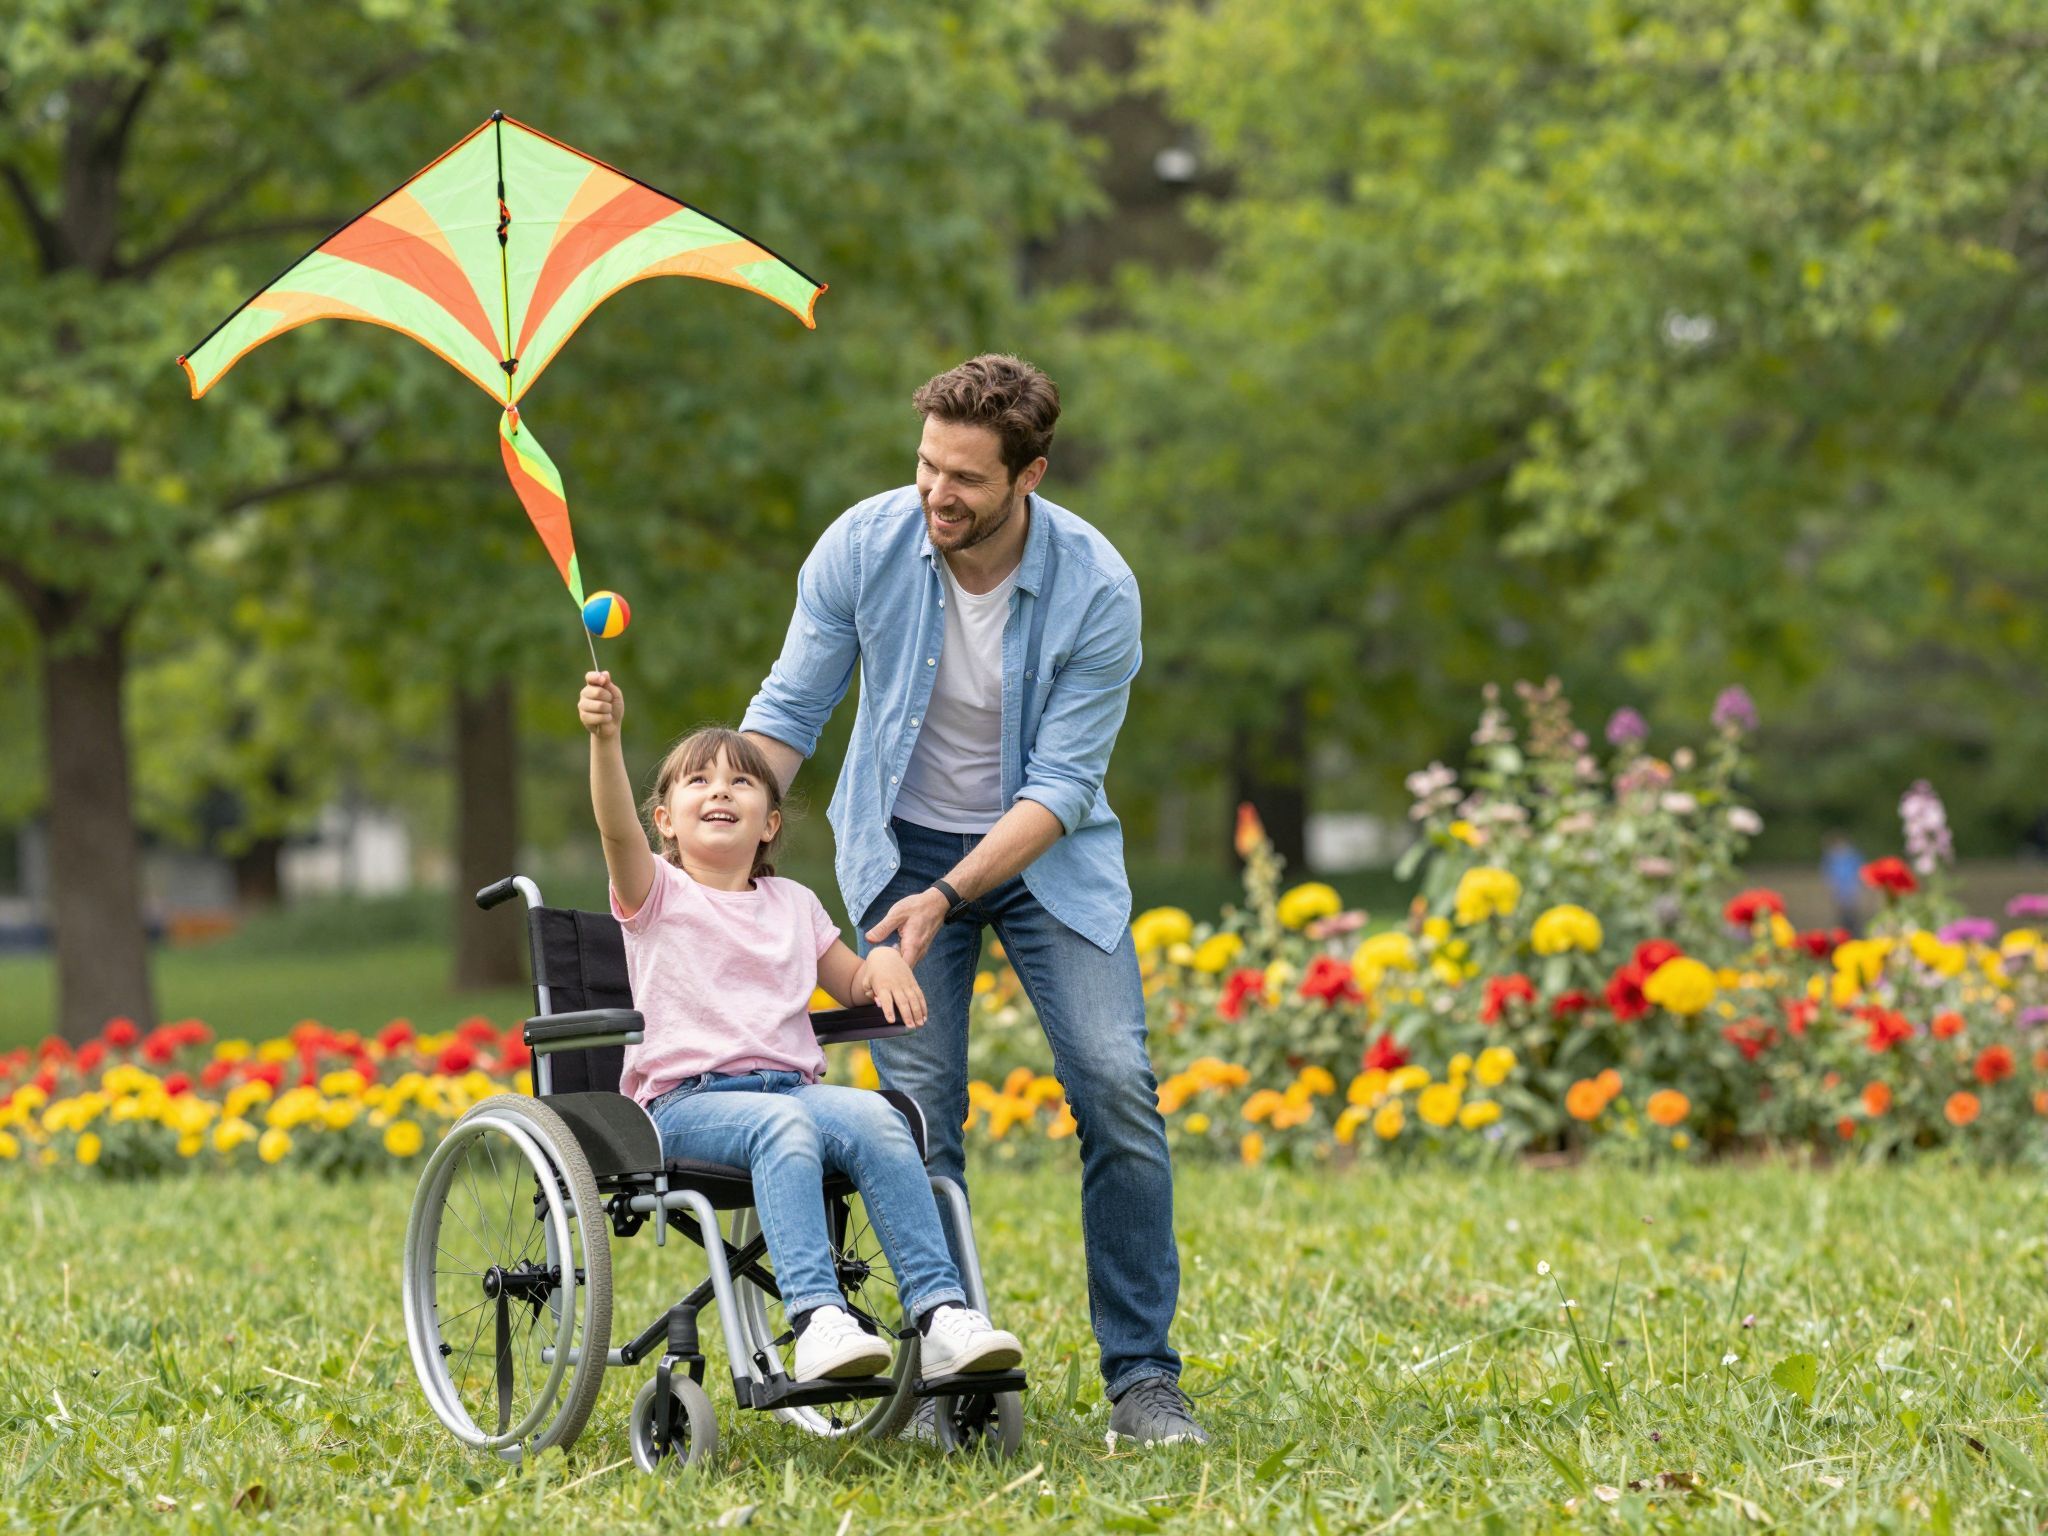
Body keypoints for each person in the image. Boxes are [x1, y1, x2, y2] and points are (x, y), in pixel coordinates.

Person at [740, 354, 1206, 1447]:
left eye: (965, 479)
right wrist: (712, 841)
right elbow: (788, 711)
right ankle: (954, 1373)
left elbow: (1058, 791)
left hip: (1044, 863)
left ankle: (1142, 1380)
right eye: (925, 466)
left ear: (1028, 475)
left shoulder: (1097, 586)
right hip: (895, 851)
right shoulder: (863, 546)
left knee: (1115, 1086)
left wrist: (949, 895)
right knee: (916, 1114)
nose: (935, 495)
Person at [577, 677, 1022, 1385]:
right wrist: (606, 739)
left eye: (741, 783)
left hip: (792, 1088)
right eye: (698, 781)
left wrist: (880, 961)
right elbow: (612, 829)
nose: (720, 791)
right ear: (665, 819)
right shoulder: (657, 893)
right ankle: (818, 1320)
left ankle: (940, 1315)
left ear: (770, 823)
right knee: (784, 1130)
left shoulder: (794, 903)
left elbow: (851, 982)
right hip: (689, 1105)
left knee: (879, 1118)